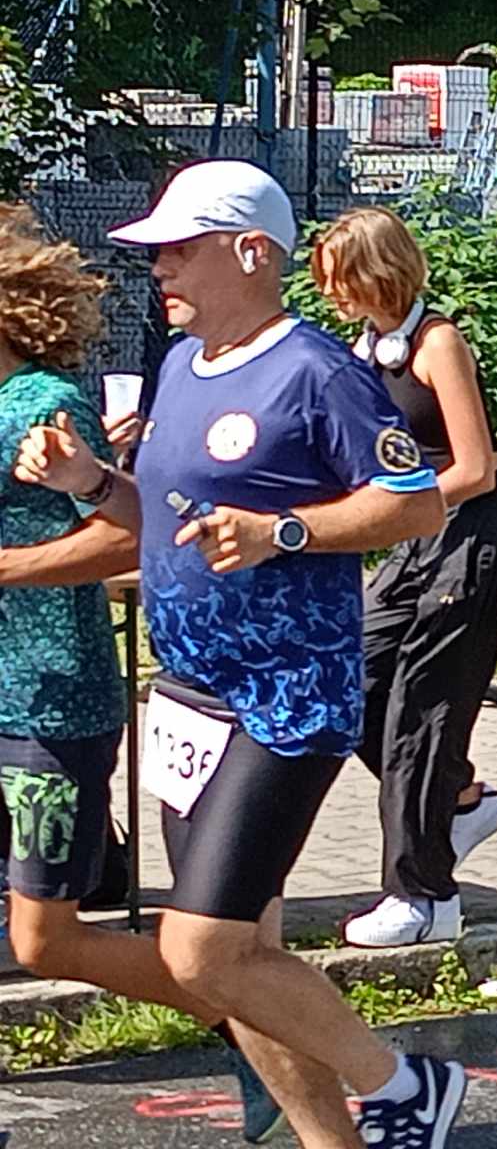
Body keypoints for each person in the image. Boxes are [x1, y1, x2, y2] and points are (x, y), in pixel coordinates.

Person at [16, 160, 466, 1148]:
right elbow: (165, 518)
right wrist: (90, 481)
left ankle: (406, 1085)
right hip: (187, 697)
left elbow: (415, 504)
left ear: (252, 252)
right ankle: (331, 1140)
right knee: (244, 957)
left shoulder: (316, 371)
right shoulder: (182, 366)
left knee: (203, 951)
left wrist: (283, 532)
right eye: (157, 253)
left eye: (181, 250)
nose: (160, 270)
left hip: (285, 700)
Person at [0, 205, 282, 1144]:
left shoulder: (40, 402)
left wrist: (5, 568)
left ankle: (265, 1027)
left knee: (45, 939)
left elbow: (128, 536)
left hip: (47, 697)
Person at [309, 208, 497, 949]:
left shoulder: (437, 344)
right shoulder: (365, 349)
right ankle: (460, 801)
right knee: (354, 682)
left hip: (472, 537)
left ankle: (424, 896)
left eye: (341, 279)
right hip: (416, 537)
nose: (331, 294)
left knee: (423, 713)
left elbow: (476, 467)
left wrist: (390, 510)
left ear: (379, 271)